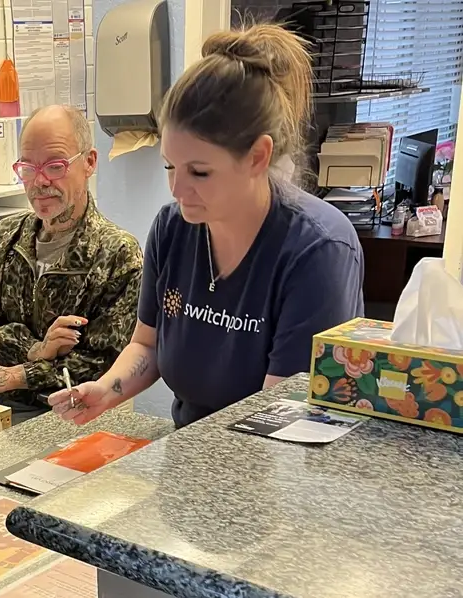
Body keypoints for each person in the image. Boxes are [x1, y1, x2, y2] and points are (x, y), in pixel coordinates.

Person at [49, 24, 364, 428]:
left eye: (199, 172)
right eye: (169, 166)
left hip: (278, 463)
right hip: (194, 453)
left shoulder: (317, 251)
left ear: (257, 157)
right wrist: (106, 391)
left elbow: (280, 415)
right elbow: (148, 344)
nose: (178, 189)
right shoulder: (173, 229)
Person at [0, 104, 143, 424]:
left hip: (72, 414)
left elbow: (101, 365)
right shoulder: (5, 238)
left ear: (89, 162)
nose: (39, 181)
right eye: (28, 168)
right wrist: (37, 349)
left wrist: (18, 375)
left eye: (55, 166)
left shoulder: (117, 254)